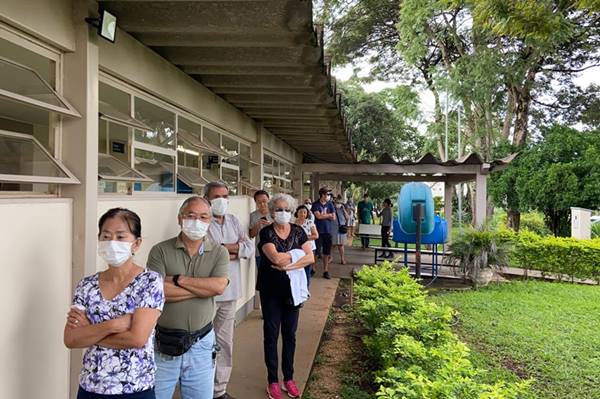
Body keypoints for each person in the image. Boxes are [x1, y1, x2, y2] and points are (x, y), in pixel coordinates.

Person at [64, 208, 164, 399]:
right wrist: (112, 325)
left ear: (136, 243)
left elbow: (136, 339)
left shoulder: (149, 282)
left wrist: (90, 332)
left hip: (134, 388)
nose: (112, 243)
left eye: (120, 237)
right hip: (90, 387)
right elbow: (70, 339)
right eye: (106, 236)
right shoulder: (87, 285)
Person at [148, 197, 230, 399]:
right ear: (180, 219)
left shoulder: (219, 252)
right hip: (163, 343)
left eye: (203, 217)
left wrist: (177, 279)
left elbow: (219, 287)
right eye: (191, 216)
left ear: (210, 221)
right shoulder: (160, 250)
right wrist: (204, 287)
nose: (196, 221)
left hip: (201, 344)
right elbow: (157, 292)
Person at [257, 193, 314, 399]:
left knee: (290, 335)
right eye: (278, 209)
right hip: (271, 290)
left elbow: (311, 257)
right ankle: (272, 380)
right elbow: (274, 258)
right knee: (271, 335)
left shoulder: (298, 231)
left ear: (291, 211)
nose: (283, 213)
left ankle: (288, 378)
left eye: (286, 209)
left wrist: (289, 257)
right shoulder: (266, 233)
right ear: (272, 212)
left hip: (293, 292)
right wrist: (298, 254)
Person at [205, 181, 254, 399]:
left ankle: (219, 390)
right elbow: (206, 252)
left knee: (225, 343)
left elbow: (249, 247)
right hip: (206, 294)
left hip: (231, 291)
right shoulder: (201, 222)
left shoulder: (233, 220)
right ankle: (199, 388)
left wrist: (226, 250)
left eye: (225, 196)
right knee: (201, 344)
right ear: (207, 198)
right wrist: (234, 250)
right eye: (217, 196)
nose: (222, 200)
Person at [311, 187, 336, 279]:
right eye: (327, 194)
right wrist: (329, 215)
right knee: (316, 252)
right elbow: (318, 217)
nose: (328, 196)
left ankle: (325, 271)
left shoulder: (330, 204)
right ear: (322, 195)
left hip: (328, 231)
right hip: (318, 231)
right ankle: (313, 268)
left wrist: (326, 215)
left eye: (329, 194)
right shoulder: (315, 204)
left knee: (326, 252)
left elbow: (334, 218)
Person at [294, 204, 319, 285]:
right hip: (297, 249)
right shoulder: (293, 223)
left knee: (307, 270)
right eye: (300, 212)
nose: (302, 214)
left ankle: (306, 289)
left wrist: (304, 238)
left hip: (309, 249)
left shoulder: (310, 222)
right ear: (297, 213)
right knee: (297, 270)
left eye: (304, 212)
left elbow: (316, 235)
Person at [249, 190, 273, 267]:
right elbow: (251, 235)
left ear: (268, 200)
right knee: (262, 277)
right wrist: (258, 224)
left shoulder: (275, 213)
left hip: (276, 251)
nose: (262, 204)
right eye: (259, 202)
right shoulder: (253, 215)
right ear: (256, 203)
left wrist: (272, 226)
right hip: (260, 253)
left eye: (264, 201)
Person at [332, 195, 349, 265]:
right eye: (337, 202)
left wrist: (343, 209)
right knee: (332, 244)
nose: (338, 204)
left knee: (341, 245)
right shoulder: (332, 208)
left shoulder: (343, 208)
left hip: (341, 228)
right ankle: (330, 257)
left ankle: (342, 258)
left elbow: (347, 217)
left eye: (340, 202)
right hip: (333, 228)